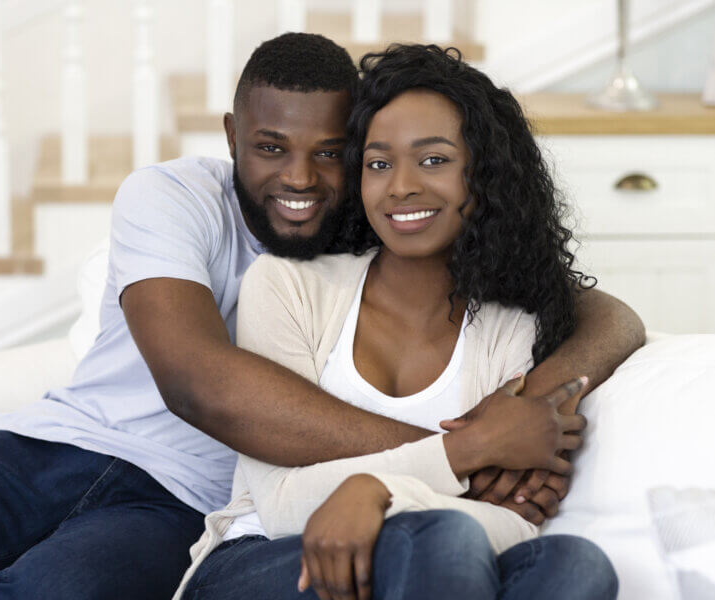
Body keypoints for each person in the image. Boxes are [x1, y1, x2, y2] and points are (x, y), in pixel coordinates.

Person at [0, 35, 640, 600]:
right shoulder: (177, 196)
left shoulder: (388, 233)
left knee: (50, 591)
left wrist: (534, 404)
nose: (301, 178)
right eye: (270, 147)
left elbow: (602, 311)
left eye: (333, 153)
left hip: (175, 508)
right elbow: (200, 384)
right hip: (43, 450)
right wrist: (465, 452)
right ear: (231, 136)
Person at [177, 44, 620, 600]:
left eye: (433, 160)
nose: (401, 186)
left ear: (484, 175)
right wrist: (463, 454)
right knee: (445, 535)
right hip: (264, 560)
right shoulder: (287, 287)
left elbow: (519, 515)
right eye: (379, 163)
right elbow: (283, 502)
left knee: (573, 562)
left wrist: (377, 492)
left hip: (431, 556)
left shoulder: (514, 323)